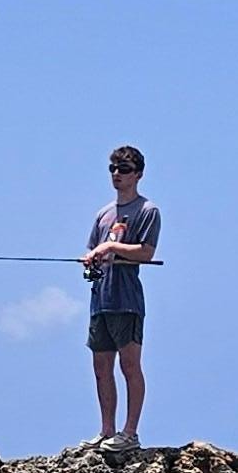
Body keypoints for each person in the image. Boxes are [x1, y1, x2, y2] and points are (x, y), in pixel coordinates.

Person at [83, 144, 161, 447]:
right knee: (101, 367)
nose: (117, 174)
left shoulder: (147, 211)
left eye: (124, 169)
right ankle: (106, 430)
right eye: (113, 169)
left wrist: (111, 247)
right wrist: (91, 259)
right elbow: (93, 249)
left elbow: (146, 252)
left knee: (129, 366)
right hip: (100, 299)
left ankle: (130, 433)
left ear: (138, 174)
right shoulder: (103, 214)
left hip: (126, 301)